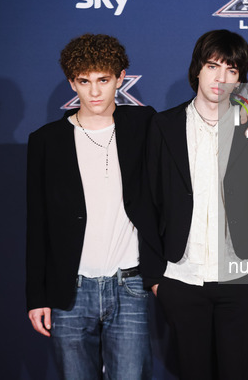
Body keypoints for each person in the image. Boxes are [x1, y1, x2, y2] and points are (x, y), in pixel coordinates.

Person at [142, 29, 248, 380]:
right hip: (181, 279)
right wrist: (156, 278)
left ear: (240, 78)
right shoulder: (162, 126)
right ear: (197, 69)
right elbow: (148, 201)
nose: (220, 78)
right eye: (213, 66)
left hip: (241, 279)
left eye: (232, 70)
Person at [25, 33, 159, 380]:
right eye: (84, 81)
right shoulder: (46, 141)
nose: (95, 91)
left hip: (130, 286)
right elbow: (37, 223)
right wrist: (36, 296)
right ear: (72, 82)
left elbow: (199, 117)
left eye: (103, 80)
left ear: (121, 78)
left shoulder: (144, 125)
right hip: (71, 290)